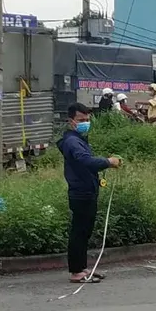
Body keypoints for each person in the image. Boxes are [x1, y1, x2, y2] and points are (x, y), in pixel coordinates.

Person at [57, 103, 122, 284]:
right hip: (81, 193)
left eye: (87, 120)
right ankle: (76, 272)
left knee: (84, 232)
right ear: (71, 122)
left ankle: (83, 268)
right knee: (79, 232)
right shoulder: (72, 142)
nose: (85, 123)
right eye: (81, 120)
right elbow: (86, 161)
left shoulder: (79, 139)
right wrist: (108, 161)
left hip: (87, 190)